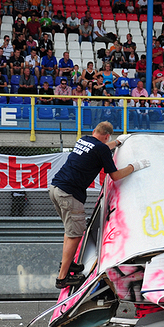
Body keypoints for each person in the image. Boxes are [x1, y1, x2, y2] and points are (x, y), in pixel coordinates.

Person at [49, 123, 150, 288]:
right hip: (70, 194)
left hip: (55, 189)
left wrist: (116, 143)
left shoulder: (84, 140)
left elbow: (100, 147)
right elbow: (116, 176)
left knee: (70, 232)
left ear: (94, 132)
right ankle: (62, 278)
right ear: (106, 136)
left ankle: (67, 265)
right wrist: (134, 167)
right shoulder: (101, 149)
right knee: (75, 234)